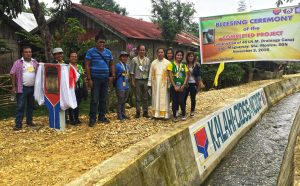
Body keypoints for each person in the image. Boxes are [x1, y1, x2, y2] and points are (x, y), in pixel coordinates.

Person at [85, 33, 115, 126]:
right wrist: (89, 79)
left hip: (105, 79)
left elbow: (112, 64)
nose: (102, 44)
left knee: (103, 99)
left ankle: (102, 117)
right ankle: (92, 118)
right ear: (96, 42)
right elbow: (87, 65)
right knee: (94, 99)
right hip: (95, 79)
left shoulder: (108, 52)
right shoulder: (91, 52)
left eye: (103, 42)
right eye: (100, 42)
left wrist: (112, 75)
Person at [10, 46, 39, 130]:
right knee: (20, 106)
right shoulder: (18, 62)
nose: (28, 53)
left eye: (30, 52)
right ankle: (18, 124)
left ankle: (29, 121)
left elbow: (39, 73)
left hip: (33, 88)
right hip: (22, 88)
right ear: (23, 53)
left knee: (30, 105)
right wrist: (13, 86)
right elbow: (12, 73)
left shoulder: (35, 62)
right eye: (26, 52)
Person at [147, 48, 171, 119]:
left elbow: (170, 75)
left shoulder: (168, 63)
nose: (160, 54)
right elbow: (150, 73)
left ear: (164, 53)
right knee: (155, 98)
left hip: (164, 84)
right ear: (157, 53)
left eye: (162, 52)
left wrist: (169, 84)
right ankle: (156, 114)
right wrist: (149, 83)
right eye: (159, 52)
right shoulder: (153, 62)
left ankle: (164, 115)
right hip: (155, 84)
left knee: (164, 98)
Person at [130, 45, 151, 118]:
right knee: (138, 97)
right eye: (141, 50)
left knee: (145, 97)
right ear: (138, 51)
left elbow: (149, 71)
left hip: (145, 80)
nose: (142, 51)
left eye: (143, 50)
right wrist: (133, 81)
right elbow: (132, 72)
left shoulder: (148, 60)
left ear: (145, 51)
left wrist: (149, 82)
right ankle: (138, 112)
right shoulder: (134, 60)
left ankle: (145, 112)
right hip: (137, 80)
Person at [168, 50, 189, 122]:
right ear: (175, 56)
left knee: (181, 100)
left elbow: (186, 75)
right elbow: (170, 76)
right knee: (174, 101)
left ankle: (183, 114)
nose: (179, 56)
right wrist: (174, 86)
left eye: (180, 55)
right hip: (173, 86)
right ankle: (174, 116)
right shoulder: (171, 64)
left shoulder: (184, 65)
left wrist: (183, 85)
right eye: (178, 55)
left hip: (182, 87)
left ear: (182, 57)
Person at [184, 51, 205, 118]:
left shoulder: (197, 65)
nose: (190, 57)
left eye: (192, 56)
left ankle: (192, 111)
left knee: (193, 98)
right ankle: (183, 111)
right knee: (183, 98)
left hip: (193, 84)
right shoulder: (184, 65)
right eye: (189, 56)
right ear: (187, 57)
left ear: (194, 57)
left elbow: (198, 75)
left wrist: (200, 83)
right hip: (186, 84)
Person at [68, 52, 86, 125]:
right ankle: (71, 119)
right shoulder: (67, 67)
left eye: (75, 56)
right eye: (72, 56)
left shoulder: (80, 67)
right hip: (71, 88)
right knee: (71, 104)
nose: (74, 58)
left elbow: (82, 77)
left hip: (79, 88)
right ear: (69, 58)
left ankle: (77, 118)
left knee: (78, 103)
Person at [115, 51, 130, 120]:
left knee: (124, 100)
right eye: (123, 56)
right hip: (120, 84)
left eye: (126, 57)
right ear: (120, 57)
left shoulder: (127, 65)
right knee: (120, 100)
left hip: (126, 85)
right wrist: (121, 74)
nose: (125, 58)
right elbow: (115, 75)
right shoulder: (117, 65)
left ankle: (123, 114)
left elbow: (127, 74)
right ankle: (119, 115)